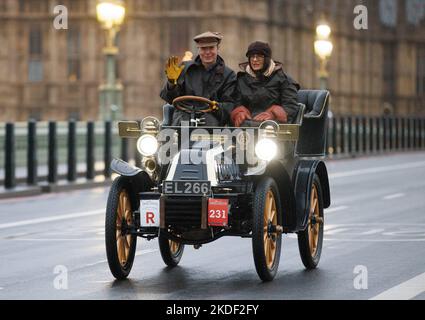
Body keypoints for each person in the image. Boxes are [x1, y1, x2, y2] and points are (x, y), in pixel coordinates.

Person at [160, 31, 236, 126]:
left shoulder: (229, 75)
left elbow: (230, 105)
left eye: (211, 48)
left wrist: (216, 106)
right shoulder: (185, 69)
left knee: (209, 124)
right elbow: (169, 98)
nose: (207, 52)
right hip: (182, 118)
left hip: (211, 119)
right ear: (198, 50)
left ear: (218, 49)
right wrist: (171, 83)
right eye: (203, 48)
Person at [231, 41, 300, 127]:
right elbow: (236, 103)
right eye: (252, 56)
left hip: (274, 127)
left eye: (259, 56)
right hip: (247, 127)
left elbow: (291, 106)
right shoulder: (241, 80)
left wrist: (273, 114)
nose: (255, 60)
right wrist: (239, 112)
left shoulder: (284, 80)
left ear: (267, 58)